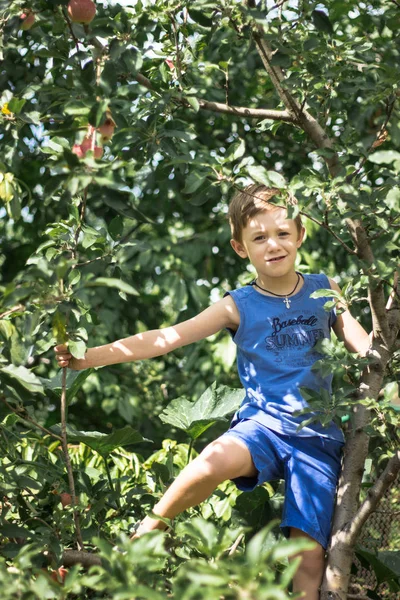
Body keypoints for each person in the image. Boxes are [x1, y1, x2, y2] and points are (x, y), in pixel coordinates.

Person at [54, 184, 370, 600]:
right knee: (212, 460)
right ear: (241, 248)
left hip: (318, 438)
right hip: (265, 427)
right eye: (259, 238)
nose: (273, 245)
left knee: (309, 555)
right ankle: (150, 528)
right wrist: (89, 356)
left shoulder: (324, 288)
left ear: (300, 235)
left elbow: (366, 348)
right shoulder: (236, 305)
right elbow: (166, 338)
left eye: (282, 233)